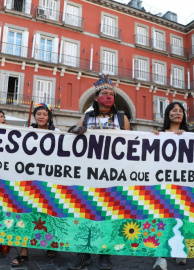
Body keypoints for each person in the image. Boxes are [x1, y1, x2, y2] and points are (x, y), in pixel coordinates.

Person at [69, 74, 130, 270]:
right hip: (88, 174)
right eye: (105, 93)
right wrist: (74, 130)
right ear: (96, 97)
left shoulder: (122, 118)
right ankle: (84, 253)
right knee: (85, 212)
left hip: (113, 175)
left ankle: (105, 254)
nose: (109, 96)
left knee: (109, 214)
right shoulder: (87, 117)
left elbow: (131, 145)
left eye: (112, 94)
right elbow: (73, 133)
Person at [11, 103, 59, 267]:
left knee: (48, 214)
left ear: (49, 117)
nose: (41, 116)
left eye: (44, 114)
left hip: (49, 182)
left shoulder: (57, 134)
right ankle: (24, 252)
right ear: (34, 116)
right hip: (28, 180)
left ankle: (49, 245)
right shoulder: (26, 131)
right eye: (38, 113)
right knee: (26, 214)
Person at [152, 102, 189, 270]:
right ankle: (161, 257)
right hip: (162, 184)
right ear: (168, 115)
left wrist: (186, 137)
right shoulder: (158, 134)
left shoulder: (189, 136)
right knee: (162, 219)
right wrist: (151, 138)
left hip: (183, 184)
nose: (177, 113)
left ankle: (179, 250)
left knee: (180, 218)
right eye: (174, 110)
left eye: (180, 110)